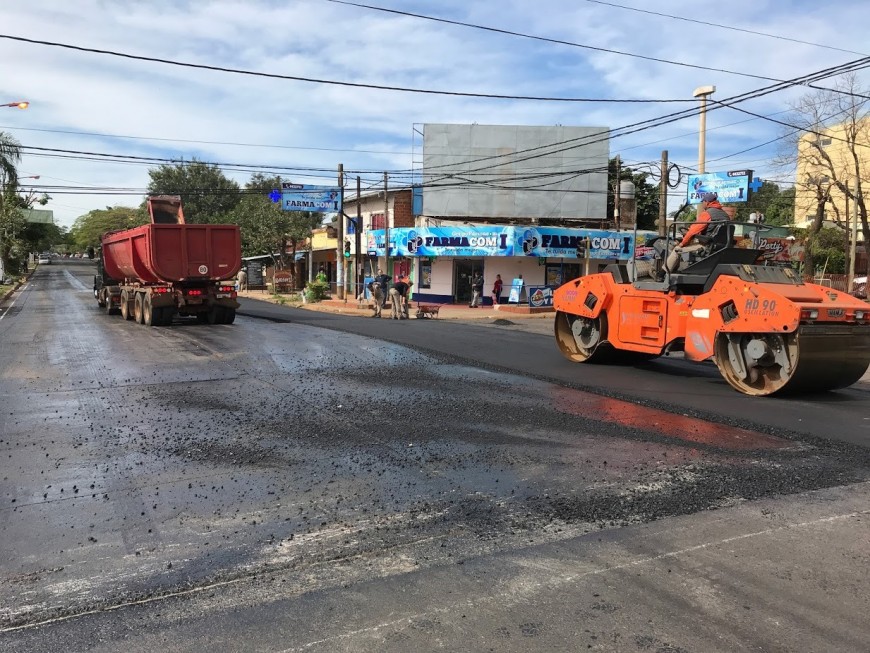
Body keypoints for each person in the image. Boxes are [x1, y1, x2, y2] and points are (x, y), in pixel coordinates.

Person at [665, 191, 730, 273]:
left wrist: (682, 243)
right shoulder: (725, 215)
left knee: (676, 250)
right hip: (721, 246)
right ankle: (674, 271)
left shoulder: (707, 214)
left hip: (706, 246)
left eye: (702, 202)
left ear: (706, 202)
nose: (702, 204)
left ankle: (662, 273)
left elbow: (692, 231)